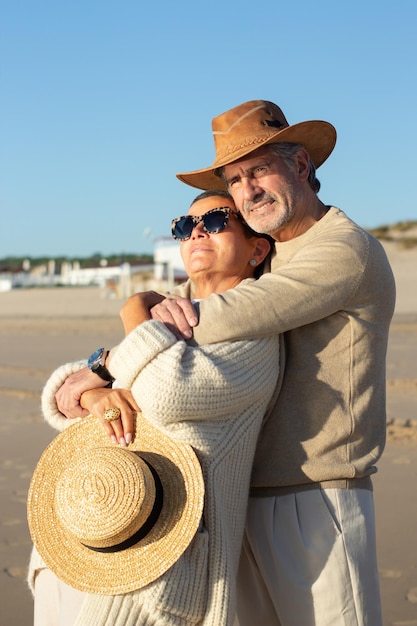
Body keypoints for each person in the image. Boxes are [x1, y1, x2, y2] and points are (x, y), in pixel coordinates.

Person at [51, 100, 396, 625]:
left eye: (260, 169)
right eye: (235, 180)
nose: (248, 190)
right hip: (234, 499)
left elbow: (218, 315)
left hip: (317, 495)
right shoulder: (266, 253)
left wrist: (109, 359)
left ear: (301, 166)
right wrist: (111, 356)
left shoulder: (343, 249)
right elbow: (176, 305)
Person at [28, 190, 280, 626]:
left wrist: (131, 314)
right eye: (185, 225)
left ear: (258, 248)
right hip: (80, 532)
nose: (197, 230)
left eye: (218, 221)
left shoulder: (254, 330)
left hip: (155, 565)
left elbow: (166, 392)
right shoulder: (169, 313)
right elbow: (63, 396)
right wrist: (97, 391)